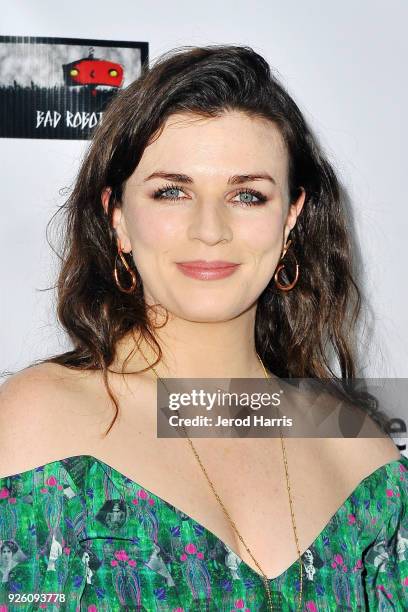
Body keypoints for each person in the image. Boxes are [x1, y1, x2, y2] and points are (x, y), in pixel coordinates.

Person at [0, 43, 406, 611]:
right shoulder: (40, 421)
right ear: (118, 218)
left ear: (290, 217)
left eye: (247, 195)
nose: (210, 229)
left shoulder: (362, 454)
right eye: (172, 191)